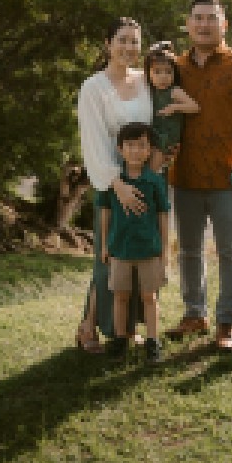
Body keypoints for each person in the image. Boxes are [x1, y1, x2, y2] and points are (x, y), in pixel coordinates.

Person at [166, 0, 232, 350]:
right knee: (189, 251)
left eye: (211, 18)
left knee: (230, 251)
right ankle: (195, 314)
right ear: (188, 24)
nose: (204, 24)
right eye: (198, 17)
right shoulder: (175, 67)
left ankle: (227, 323)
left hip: (230, 176)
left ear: (223, 24)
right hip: (184, 175)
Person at [76, 17, 152, 353]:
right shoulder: (93, 88)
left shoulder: (146, 81)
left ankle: (126, 328)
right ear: (107, 44)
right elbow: (93, 142)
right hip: (112, 182)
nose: (129, 47)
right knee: (108, 256)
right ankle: (88, 327)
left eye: (134, 41)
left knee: (138, 256)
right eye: (122, 39)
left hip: (145, 180)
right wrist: (117, 184)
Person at [99, 122, 169, 363]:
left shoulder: (155, 181)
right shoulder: (113, 181)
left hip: (149, 250)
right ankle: (120, 340)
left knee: (149, 297)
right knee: (120, 296)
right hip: (120, 249)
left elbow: (163, 214)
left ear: (149, 150)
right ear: (120, 149)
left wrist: (165, 250)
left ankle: (153, 341)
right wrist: (104, 245)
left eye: (141, 145)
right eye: (130, 145)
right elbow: (105, 212)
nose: (136, 151)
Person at [144, 41, 200, 171]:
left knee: (152, 169)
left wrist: (174, 107)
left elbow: (195, 107)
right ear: (148, 74)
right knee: (144, 164)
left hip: (167, 137)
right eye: (157, 72)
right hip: (153, 133)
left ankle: (148, 181)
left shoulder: (174, 91)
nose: (163, 77)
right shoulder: (150, 90)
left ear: (174, 73)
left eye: (168, 72)